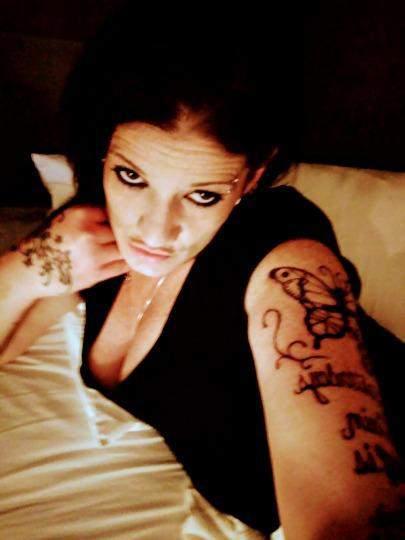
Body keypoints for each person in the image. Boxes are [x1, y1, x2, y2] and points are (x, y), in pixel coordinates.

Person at [1, 4, 404, 538]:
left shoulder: (285, 260)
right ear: (104, 154)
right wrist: (27, 265)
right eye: (132, 176)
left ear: (253, 177)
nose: (156, 232)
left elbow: (348, 523)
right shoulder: (95, 230)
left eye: (203, 195)